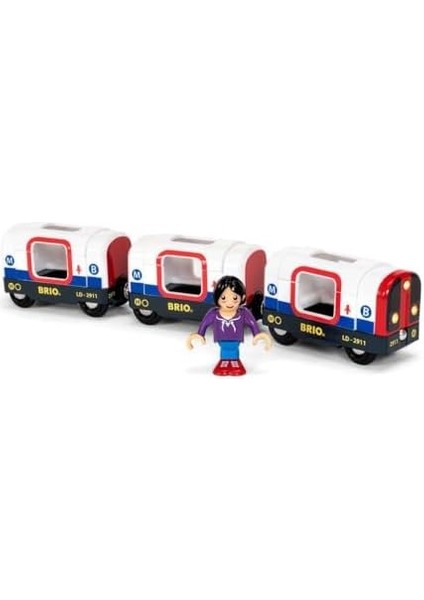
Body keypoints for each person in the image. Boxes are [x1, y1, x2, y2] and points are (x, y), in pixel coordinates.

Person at [186, 275, 272, 375]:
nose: (230, 303)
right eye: (223, 298)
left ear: (243, 297)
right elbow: (204, 323)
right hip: (221, 339)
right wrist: (200, 334)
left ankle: (235, 362)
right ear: (217, 298)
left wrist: (257, 334)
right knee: (225, 349)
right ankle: (224, 363)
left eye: (235, 298)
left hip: (236, 339)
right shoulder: (214, 313)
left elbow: (252, 323)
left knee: (233, 349)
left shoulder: (243, 313)